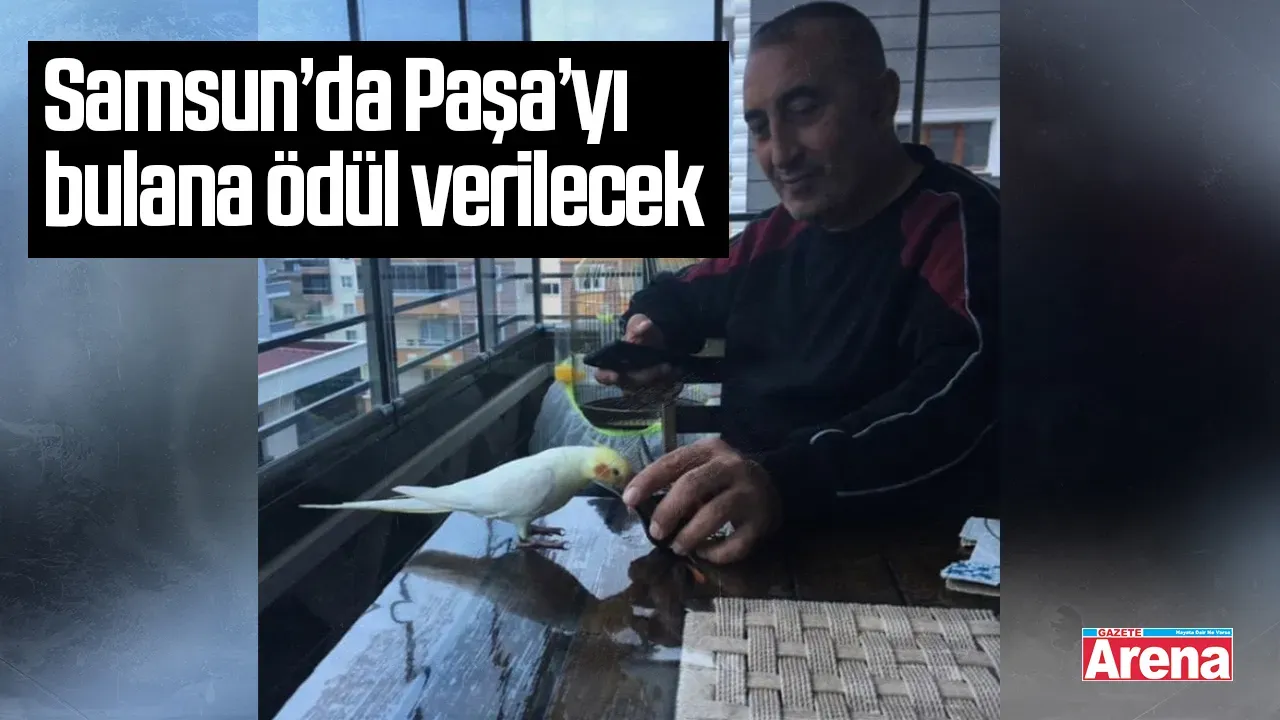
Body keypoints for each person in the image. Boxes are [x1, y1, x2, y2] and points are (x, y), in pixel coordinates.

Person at [595, 1, 999, 564]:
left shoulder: (964, 228)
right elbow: (674, 293)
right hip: (739, 541)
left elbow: (961, 402)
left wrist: (781, 480)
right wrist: (650, 334)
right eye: (760, 127)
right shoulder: (773, 237)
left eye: (804, 110)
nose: (780, 153)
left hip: (911, 556)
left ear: (881, 101)